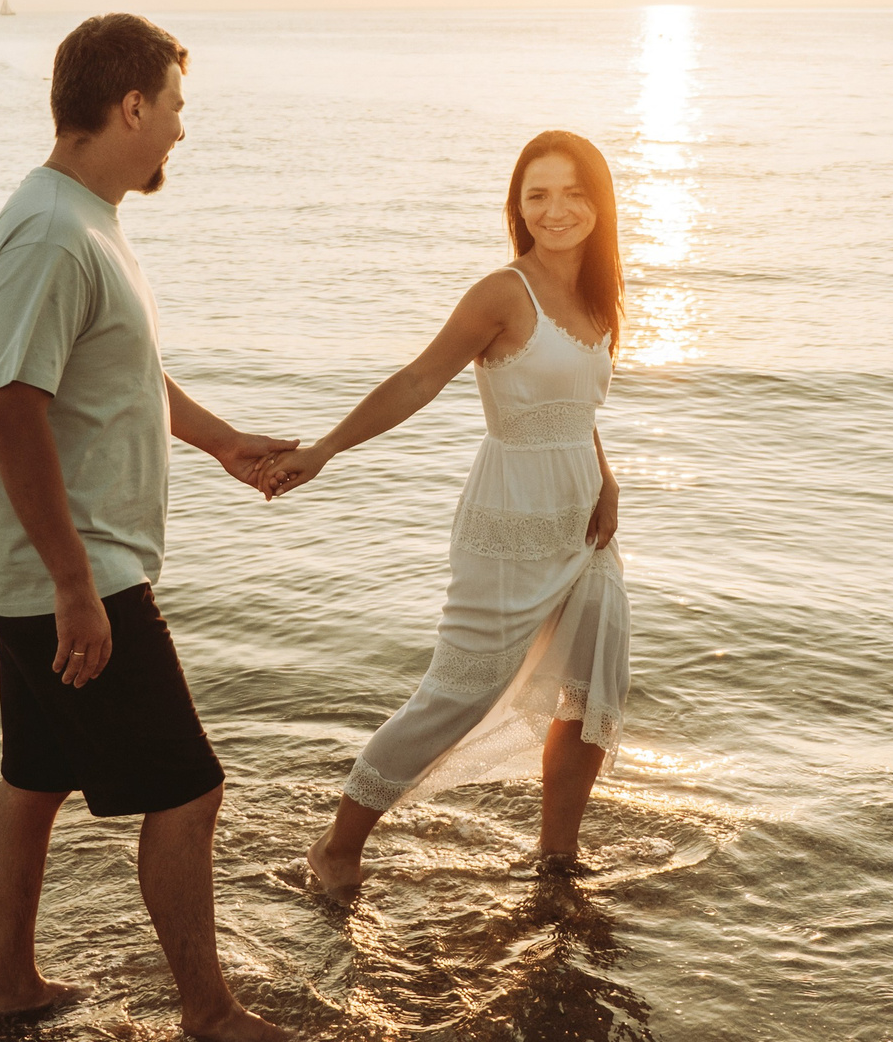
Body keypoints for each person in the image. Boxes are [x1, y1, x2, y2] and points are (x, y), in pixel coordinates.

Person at [0, 12, 295, 1042]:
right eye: (176, 110)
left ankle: (12, 985)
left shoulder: (82, 219)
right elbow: (12, 408)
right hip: (78, 571)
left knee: (34, 778)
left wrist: (222, 443)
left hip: (49, 567)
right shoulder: (55, 233)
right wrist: (73, 584)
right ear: (131, 105)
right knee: (189, 790)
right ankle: (208, 1013)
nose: (181, 135)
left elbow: (121, 377)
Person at [259, 130, 631, 895]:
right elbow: (418, 381)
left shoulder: (599, 294)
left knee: (591, 688)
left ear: (599, 203)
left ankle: (556, 856)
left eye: (572, 192)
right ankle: (338, 846)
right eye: (537, 195)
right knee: (455, 695)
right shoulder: (504, 292)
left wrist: (606, 473)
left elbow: (572, 401)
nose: (556, 210)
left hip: (584, 522)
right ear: (517, 207)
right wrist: (326, 448)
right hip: (509, 518)